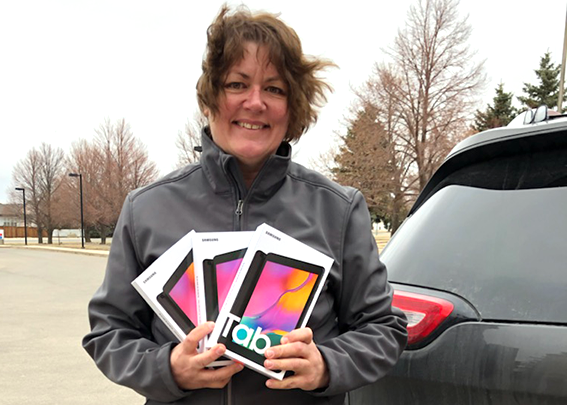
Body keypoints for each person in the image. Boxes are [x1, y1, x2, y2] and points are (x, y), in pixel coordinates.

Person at [83, 6, 407, 404]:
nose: (255, 103)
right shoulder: (146, 208)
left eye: (274, 89)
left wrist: (326, 365)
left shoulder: (338, 210)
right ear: (209, 99)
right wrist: (167, 369)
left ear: (293, 110)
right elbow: (108, 332)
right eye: (237, 84)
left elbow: (384, 328)